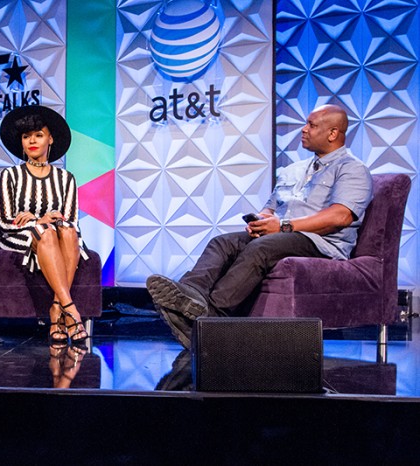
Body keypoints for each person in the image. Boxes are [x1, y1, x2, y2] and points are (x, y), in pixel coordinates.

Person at [147, 104, 373, 348]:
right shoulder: (295, 170)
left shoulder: (352, 169)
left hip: (321, 243)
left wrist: (283, 227)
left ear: (333, 133)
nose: (304, 130)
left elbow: (340, 217)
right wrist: (262, 220)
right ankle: (189, 297)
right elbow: (271, 207)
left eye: (312, 125)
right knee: (224, 243)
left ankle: (210, 320)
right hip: (284, 235)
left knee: (263, 247)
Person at [0, 105, 90, 344]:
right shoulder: (10, 175)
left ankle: (57, 309)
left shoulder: (66, 178)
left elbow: (70, 219)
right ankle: (71, 310)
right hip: (17, 235)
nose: (32, 141)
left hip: (57, 233)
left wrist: (45, 219)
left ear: (50, 139)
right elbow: (6, 220)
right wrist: (40, 221)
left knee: (69, 231)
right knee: (45, 232)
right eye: (27, 136)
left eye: (38, 135)